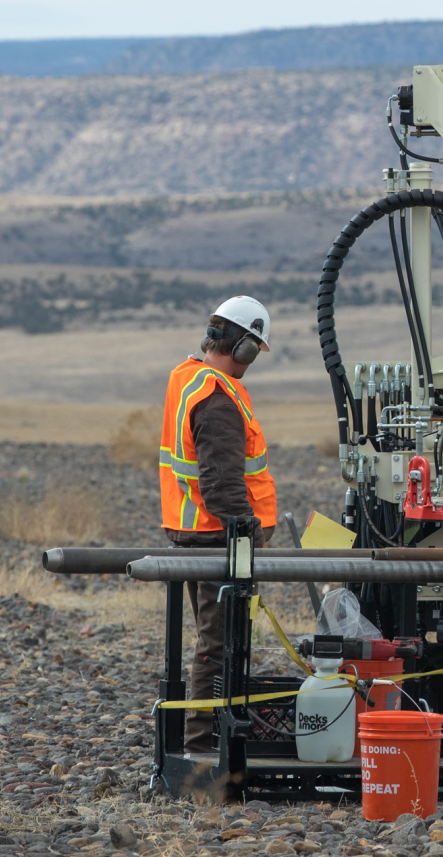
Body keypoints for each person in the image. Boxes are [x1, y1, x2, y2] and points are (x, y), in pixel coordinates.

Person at [159, 296, 277, 753]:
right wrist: (247, 533)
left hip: (195, 531)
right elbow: (223, 483)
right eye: (254, 350)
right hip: (218, 536)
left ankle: (210, 736)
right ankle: (203, 743)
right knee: (218, 641)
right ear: (244, 346)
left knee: (218, 636)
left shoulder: (186, 377)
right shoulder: (217, 397)